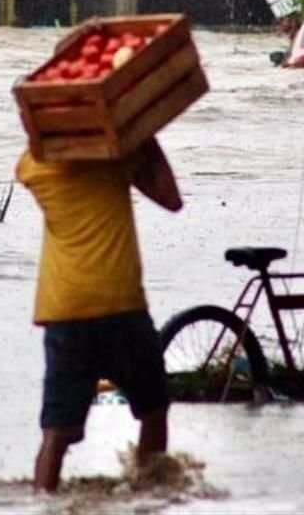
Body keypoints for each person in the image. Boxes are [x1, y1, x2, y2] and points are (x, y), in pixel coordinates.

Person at [15, 137, 183, 493]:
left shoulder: (32, 166)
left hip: (64, 309)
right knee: (152, 411)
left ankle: (42, 502)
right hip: (120, 304)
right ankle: (148, 496)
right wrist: (144, 134)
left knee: (57, 432)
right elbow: (171, 199)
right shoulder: (117, 155)